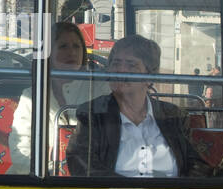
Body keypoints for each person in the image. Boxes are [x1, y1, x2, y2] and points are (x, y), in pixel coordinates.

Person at [66, 34, 209, 179]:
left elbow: (196, 165)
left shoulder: (173, 116)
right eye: (116, 63)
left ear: (150, 76)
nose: (121, 70)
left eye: (131, 65)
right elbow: (81, 163)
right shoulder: (93, 113)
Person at [8, 21, 91, 173]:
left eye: (76, 46)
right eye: (63, 46)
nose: (71, 53)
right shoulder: (31, 96)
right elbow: (19, 150)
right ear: (48, 53)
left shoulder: (97, 89)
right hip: (37, 181)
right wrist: (52, 169)